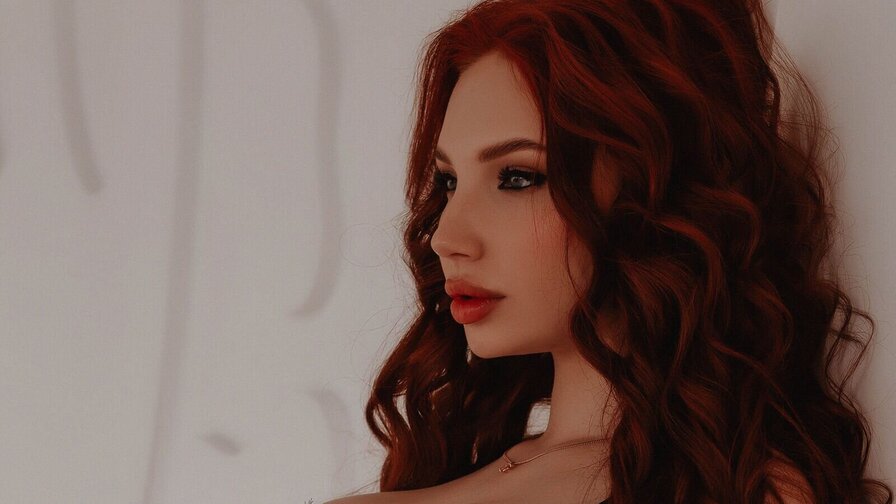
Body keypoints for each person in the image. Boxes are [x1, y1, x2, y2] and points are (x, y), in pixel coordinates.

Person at [327, 0, 893, 502]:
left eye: (518, 178)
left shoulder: (745, 488)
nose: (446, 238)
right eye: (449, 182)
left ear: (651, 192)